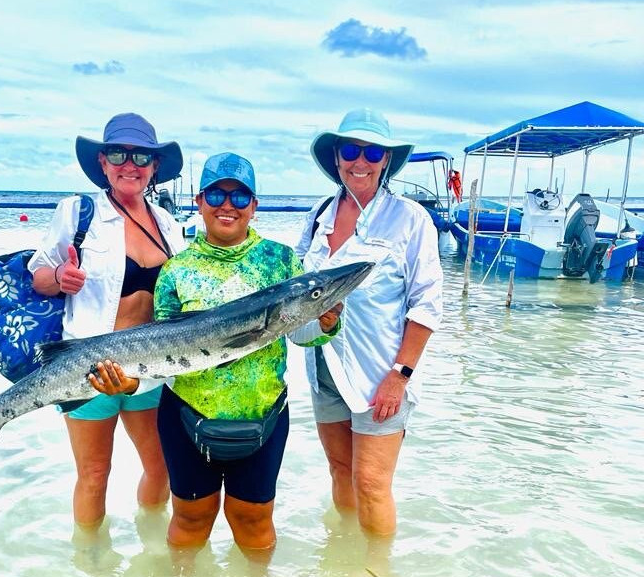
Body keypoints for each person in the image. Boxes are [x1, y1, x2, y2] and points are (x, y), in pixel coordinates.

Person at [152, 152, 340, 554]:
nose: (227, 205)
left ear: (254, 206)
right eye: (217, 194)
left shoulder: (282, 260)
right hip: (186, 414)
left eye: (240, 197)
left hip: (264, 413)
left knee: (254, 520)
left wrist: (325, 325)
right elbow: (161, 351)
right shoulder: (175, 271)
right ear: (199, 201)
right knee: (189, 519)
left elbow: (300, 335)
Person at [28, 113, 186, 529]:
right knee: (94, 475)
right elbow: (39, 277)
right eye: (118, 153)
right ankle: (92, 570)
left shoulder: (169, 225)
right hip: (87, 368)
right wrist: (59, 278)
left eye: (141, 156)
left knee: (161, 469)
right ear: (102, 162)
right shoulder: (78, 213)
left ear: (154, 167)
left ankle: (151, 547)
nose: (129, 164)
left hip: (151, 370)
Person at [296, 108, 443, 536]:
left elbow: (427, 303)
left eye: (372, 151)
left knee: (373, 484)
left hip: (381, 371)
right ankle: (342, 559)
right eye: (350, 149)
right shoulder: (318, 215)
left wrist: (400, 375)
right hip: (323, 366)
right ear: (336, 157)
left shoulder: (410, 219)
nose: (360, 160)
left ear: (385, 160)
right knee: (340, 471)